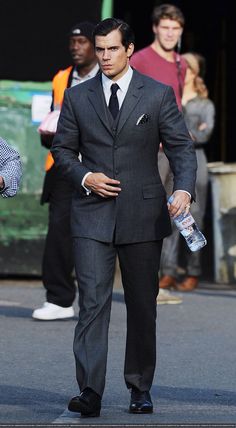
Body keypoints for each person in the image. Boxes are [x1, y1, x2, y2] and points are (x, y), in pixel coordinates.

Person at [51, 17, 197, 417]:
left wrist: (182, 189)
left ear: (130, 49)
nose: (104, 56)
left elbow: (181, 148)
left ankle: (139, 387)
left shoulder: (157, 94)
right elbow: (62, 151)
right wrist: (85, 176)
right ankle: (90, 391)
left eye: (112, 48)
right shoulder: (78, 97)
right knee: (93, 304)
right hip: (91, 216)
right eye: (100, 49)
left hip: (143, 215)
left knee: (141, 306)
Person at [32, 22, 99, 321]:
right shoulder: (61, 78)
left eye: (82, 41)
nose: (76, 47)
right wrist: (47, 132)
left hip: (99, 166)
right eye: (72, 42)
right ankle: (59, 299)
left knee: (101, 233)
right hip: (63, 166)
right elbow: (52, 116)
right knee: (59, 231)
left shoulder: (110, 77)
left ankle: (97, 298)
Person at [130, 3, 186, 302]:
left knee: (175, 210)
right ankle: (146, 285)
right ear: (154, 28)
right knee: (147, 214)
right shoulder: (140, 59)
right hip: (150, 149)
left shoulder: (181, 63)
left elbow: (177, 104)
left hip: (174, 149)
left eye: (175, 28)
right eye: (164, 27)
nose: (169, 33)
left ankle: (162, 277)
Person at [160, 52, 215, 291]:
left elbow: (205, 133)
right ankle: (168, 270)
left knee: (195, 215)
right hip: (169, 159)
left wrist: (183, 134)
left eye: (186, 68)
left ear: (194, 71)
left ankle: (193, 270)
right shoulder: (170, 96)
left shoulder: (204, 103)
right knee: (170, 213)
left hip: (196, 158)